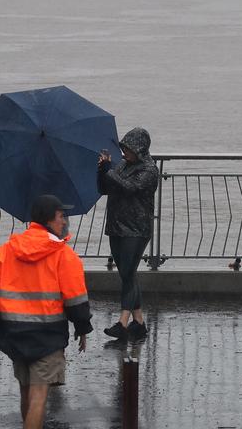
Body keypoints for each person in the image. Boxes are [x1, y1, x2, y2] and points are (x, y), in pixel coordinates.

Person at [0, 195, 92, 429]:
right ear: (50, 220)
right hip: (48, 336)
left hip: (13, 333)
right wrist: (82, 329)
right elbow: (76, 299)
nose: (65, 222)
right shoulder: (63, 255)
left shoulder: (6, 251)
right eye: (62, 216)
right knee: (39, 397)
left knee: (26, 391)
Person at [97, 127, 159, 341]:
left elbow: (129, 187)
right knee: (127, 274)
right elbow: (105, 189)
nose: (125, 153)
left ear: (140, 149)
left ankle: (123, 322)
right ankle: (139, 323)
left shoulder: (150, 170)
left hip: (136, 228)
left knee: (128, 273)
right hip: (116, 225)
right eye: (123, 148)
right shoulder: (123, 165)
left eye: (129, 149)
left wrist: (110, 171)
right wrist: (102, 170)